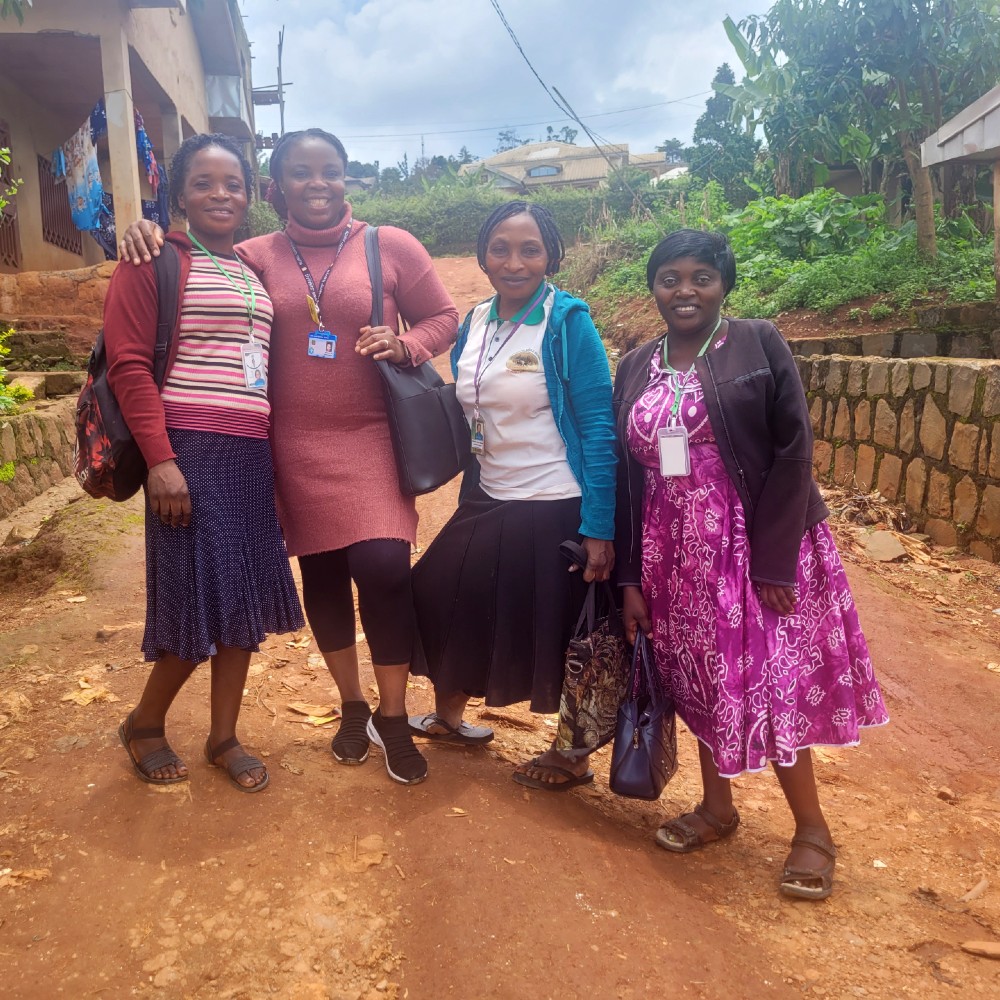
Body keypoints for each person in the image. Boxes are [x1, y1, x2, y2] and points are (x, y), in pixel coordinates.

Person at [120, 129, 459, 785]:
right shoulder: (250, 255)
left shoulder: (390, 245)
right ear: (276, 190)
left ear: (346, 179)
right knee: (324, 576)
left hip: (371, 439)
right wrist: (140, 229)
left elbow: (442, 316)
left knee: (384, 565)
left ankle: (394, 715)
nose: (318, 183)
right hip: (285, 444)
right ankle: (352, 707)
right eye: (301, 173)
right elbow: (188, 257)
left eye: (330, 171)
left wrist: (407, 343)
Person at [613, 229, 888, 899]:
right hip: (670, 551)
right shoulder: (637, 363)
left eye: (701, 276)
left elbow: (795, 451)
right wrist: (629, 575)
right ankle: (716, 809)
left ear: (724, 283)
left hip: (754, 546)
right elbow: (624, 473)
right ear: (652, 287)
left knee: (773, 682)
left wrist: (775, 564)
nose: (684, 290)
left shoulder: (757, 343)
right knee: (696, 676)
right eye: (669, 277)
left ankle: (812, 832)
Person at [109, 133, 304, 793]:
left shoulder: (250, 270)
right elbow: (129, 364)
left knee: (241, 600)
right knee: (195, 599)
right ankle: (144, 722)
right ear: (181, 194)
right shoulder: (154, 259)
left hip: (249, 454)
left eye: (234, 184)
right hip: (188, 450)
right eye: (205, 183)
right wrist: (161, 461)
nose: (222, 194)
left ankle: (224, 736)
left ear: (250, 196)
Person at [409, 201, 617, 790]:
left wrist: (599, 525)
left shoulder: (567, 320)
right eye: (500, 247)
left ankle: (570, 756)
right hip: (490, 493)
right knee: (443, 592)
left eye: (530, 249)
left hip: (556, 500)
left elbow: (598, 425)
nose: (514, 261)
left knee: (563, 629)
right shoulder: (475, 320)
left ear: (550, 254)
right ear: (483, 253)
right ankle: (448, 716)